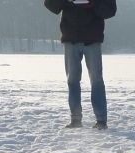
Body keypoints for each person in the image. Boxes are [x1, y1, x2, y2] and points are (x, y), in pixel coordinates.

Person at [44, 0, 117, 130]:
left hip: (93, 40)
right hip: (70, 38)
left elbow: (110, 11)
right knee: (72, 80)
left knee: (96, 81)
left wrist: (93, 2)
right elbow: (50, 4)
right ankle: (75, 119)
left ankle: (101, 120)